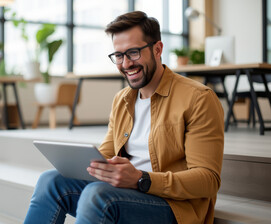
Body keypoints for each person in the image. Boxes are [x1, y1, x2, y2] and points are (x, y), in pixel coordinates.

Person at [24, 11, 224, 224]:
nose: (126, 64)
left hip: (175, 206)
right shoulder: (122, 100)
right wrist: (89, 164)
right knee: (51, 181)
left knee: (97, 196)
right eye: (119, 56)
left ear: (158, 49)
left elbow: (208, 180)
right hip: (126, 193)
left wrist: (141, 179)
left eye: (134, 52)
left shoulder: (198, 98)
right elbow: (107, 154)